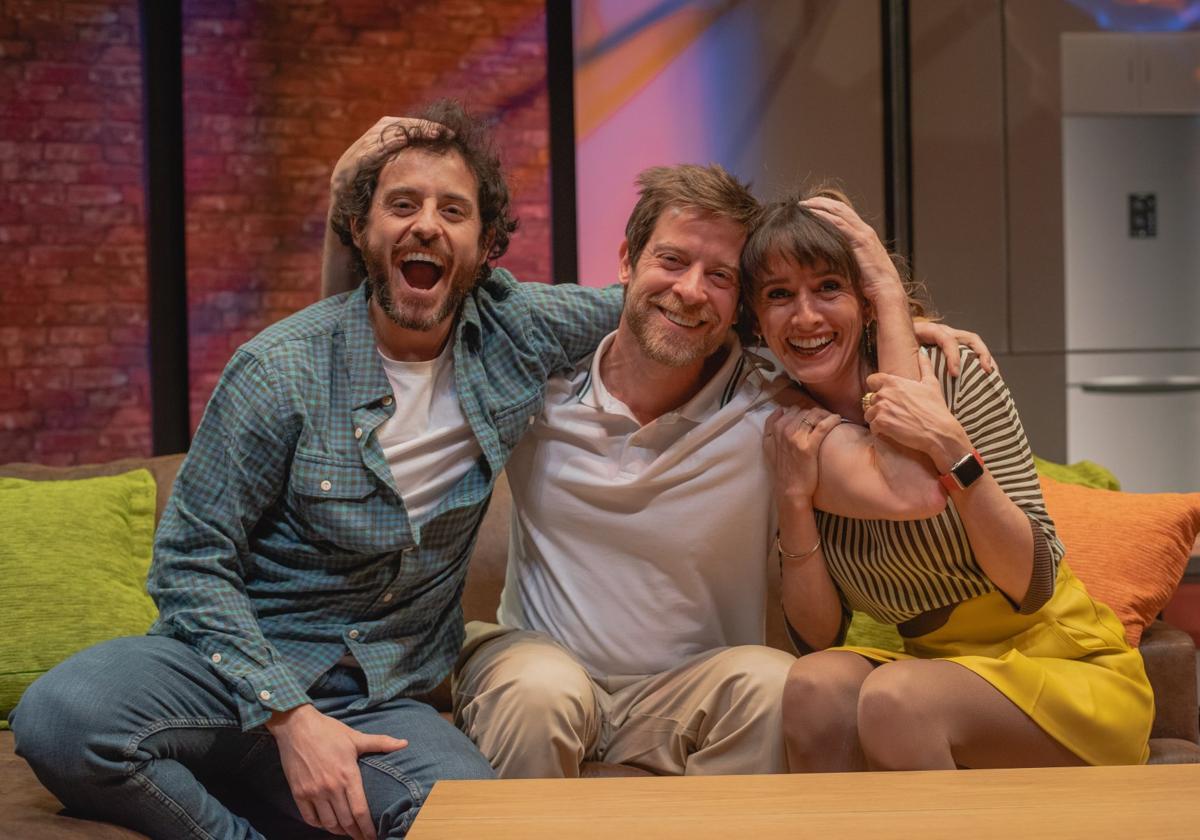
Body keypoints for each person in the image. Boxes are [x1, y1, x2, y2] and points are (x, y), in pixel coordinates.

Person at [9, 101, 624, 840]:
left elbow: (667, 303)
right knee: (59, 715)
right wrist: (290, 717)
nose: (426, 223)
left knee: (472, 822)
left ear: (487, 245)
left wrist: (797, 243)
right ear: (363, 232)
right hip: (229, 664)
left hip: (378, 693)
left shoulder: (515, 330)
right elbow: (187, 564)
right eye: (402, 204)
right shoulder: (280, 368)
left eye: (452, 210)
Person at [451, 165, 991, 778]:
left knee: (771, 684)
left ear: (741, 303)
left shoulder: (770, 410)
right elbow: (404, 328)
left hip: (686, 691)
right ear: (628, 260)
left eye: (720, 277)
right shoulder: (537, 386)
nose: (690, 291)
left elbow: (912, 488)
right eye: (673, 261)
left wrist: (887, 308)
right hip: (537, 666)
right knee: (540, 692)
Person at [742, 189, 1154, 771]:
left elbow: (1031, 583)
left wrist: (950, 447)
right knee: (812, 685)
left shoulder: (953, 373)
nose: (805, 316)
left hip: (1061, 664)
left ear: (865, 297)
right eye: (779, 296)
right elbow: (818, 636)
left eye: (828, 287)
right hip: (933, 667)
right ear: (757, 320)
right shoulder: (792, 427)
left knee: (897, 699)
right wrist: (793, 497)